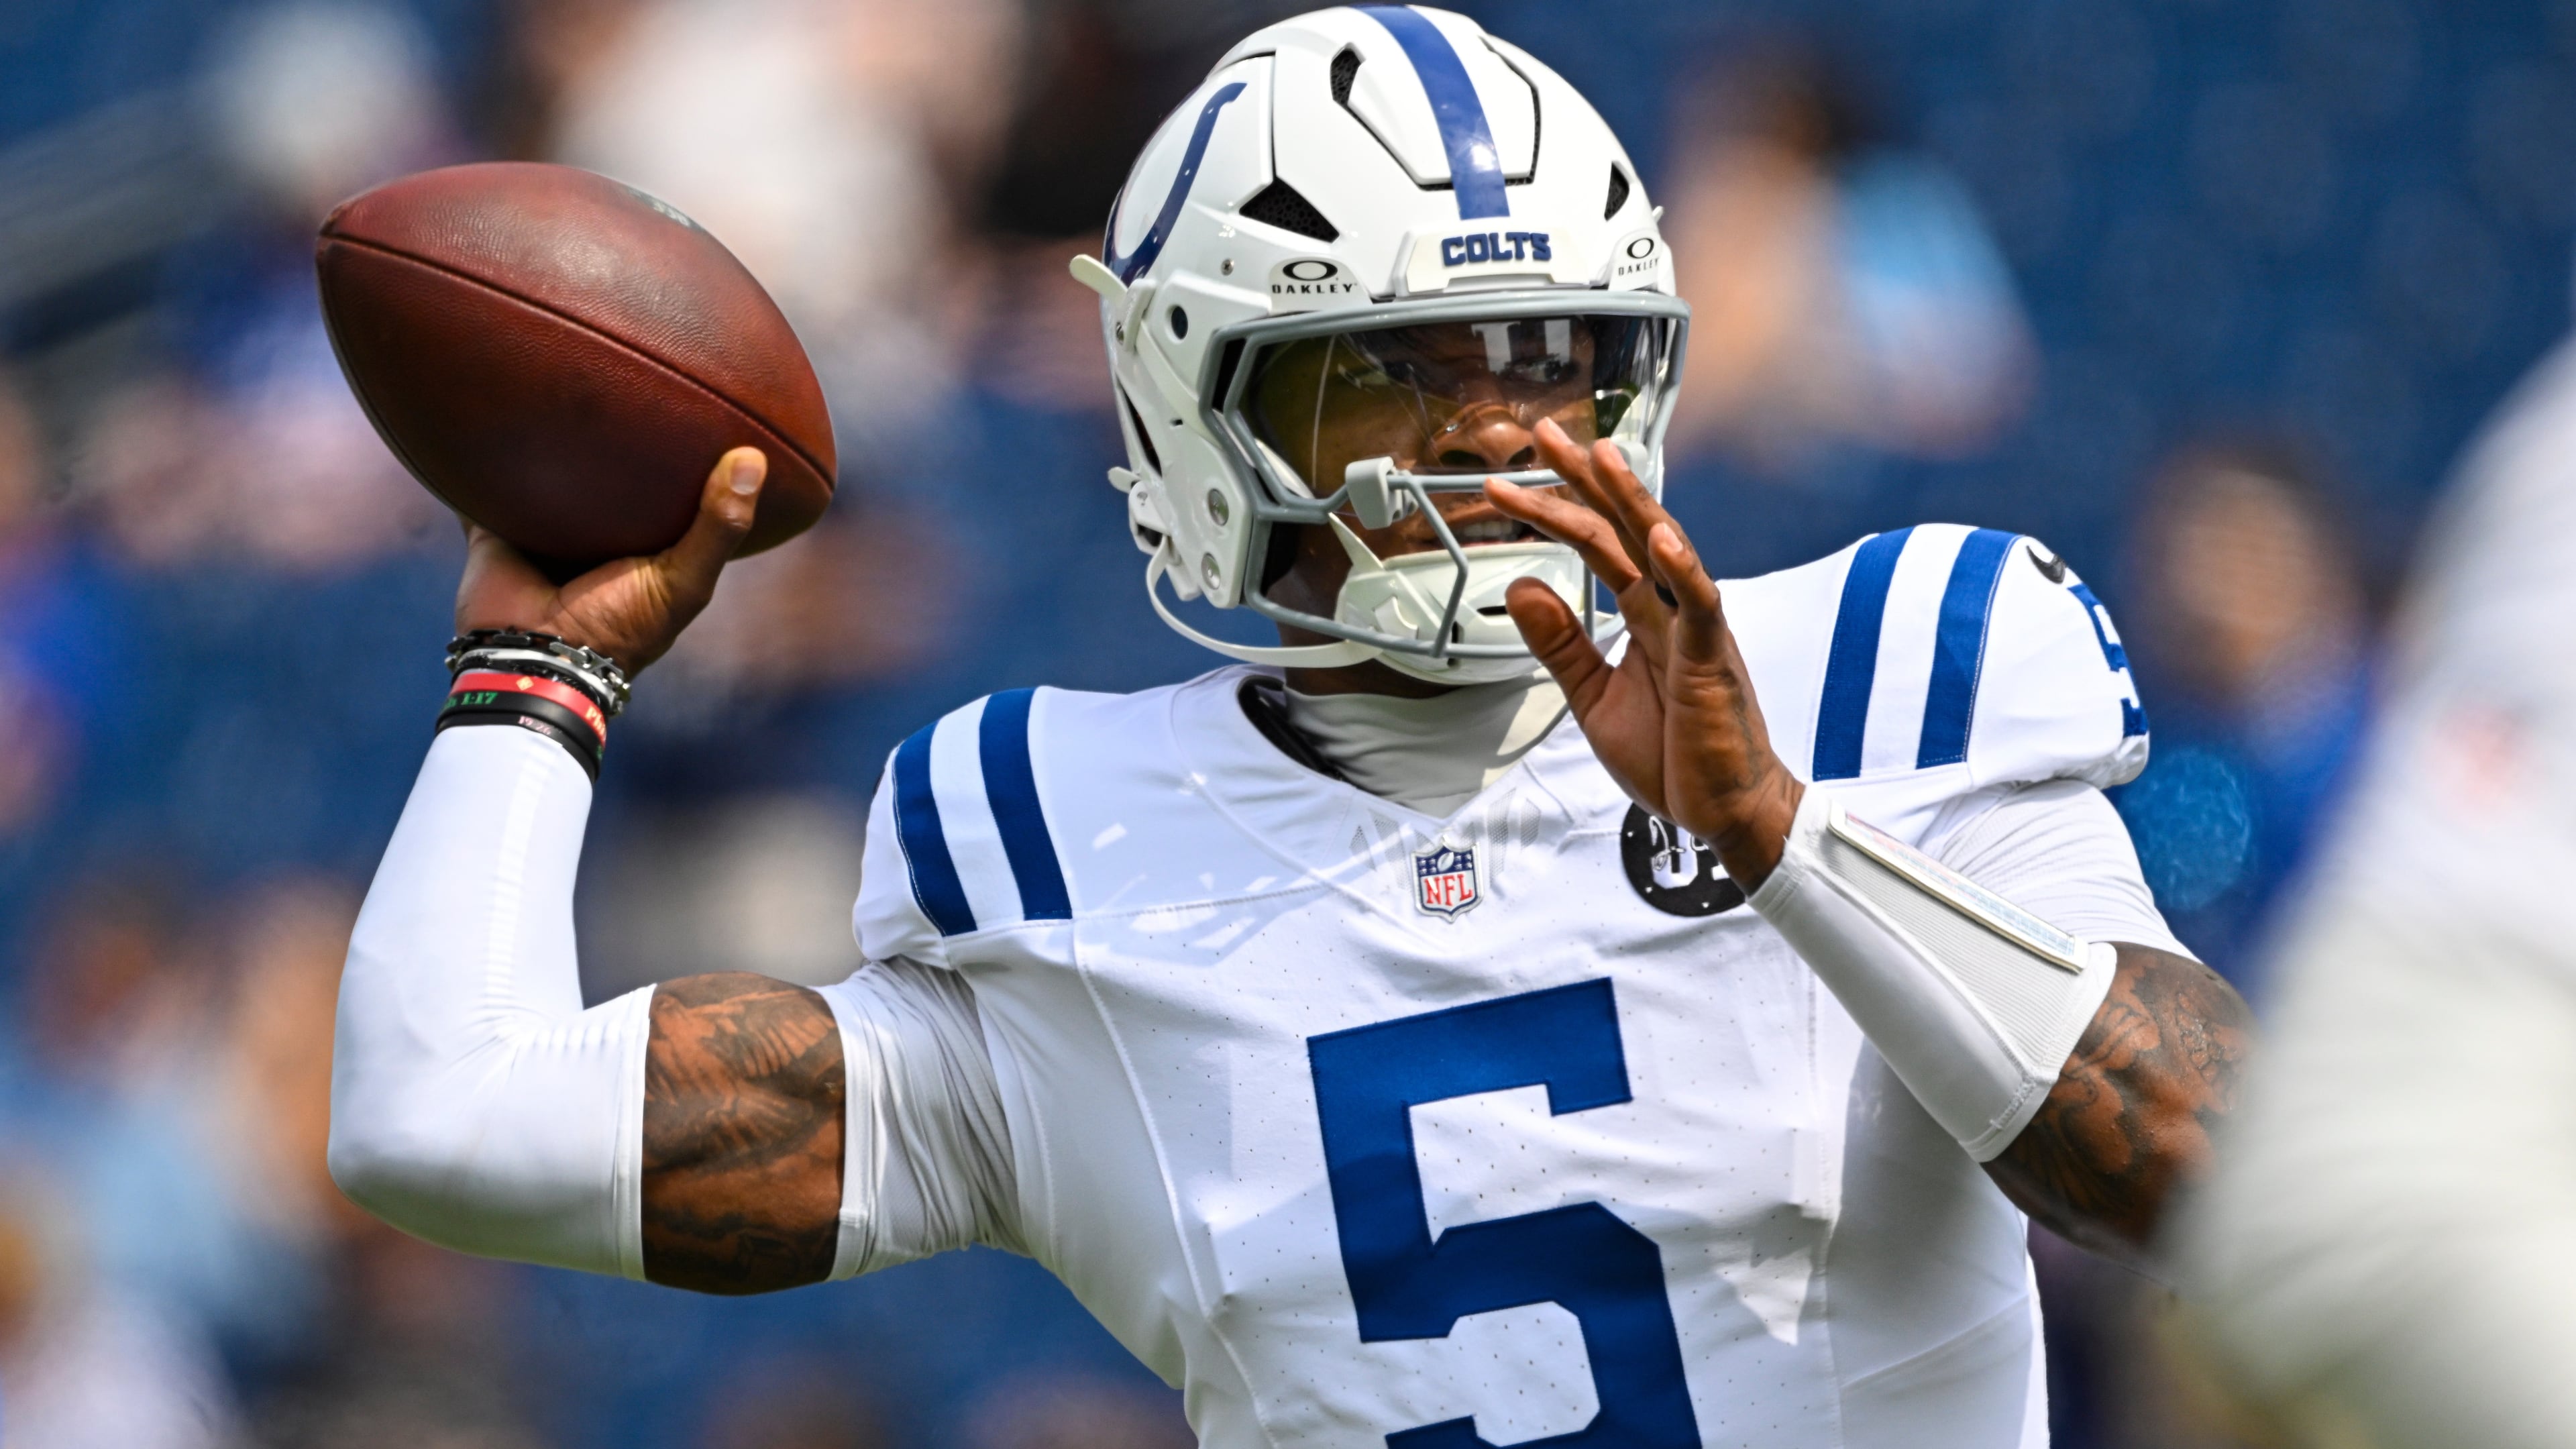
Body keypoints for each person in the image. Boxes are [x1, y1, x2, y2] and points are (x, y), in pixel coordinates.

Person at [326, 9, 2249, 1445]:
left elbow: (2222, 1177)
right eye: (1387, 384)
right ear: (1190, 416)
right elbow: (444, 1120)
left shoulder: (1893, 672)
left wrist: (1793, 849)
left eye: (1548, 363)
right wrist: (533, 680)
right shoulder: (1066, 856)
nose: (1496, 442)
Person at [2173, 340, 2576, 1448]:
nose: (2218, 570)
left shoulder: (2341, 737)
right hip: (2396, 1172)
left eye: (2248, 538)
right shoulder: (2198, 769)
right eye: (2201, 538)